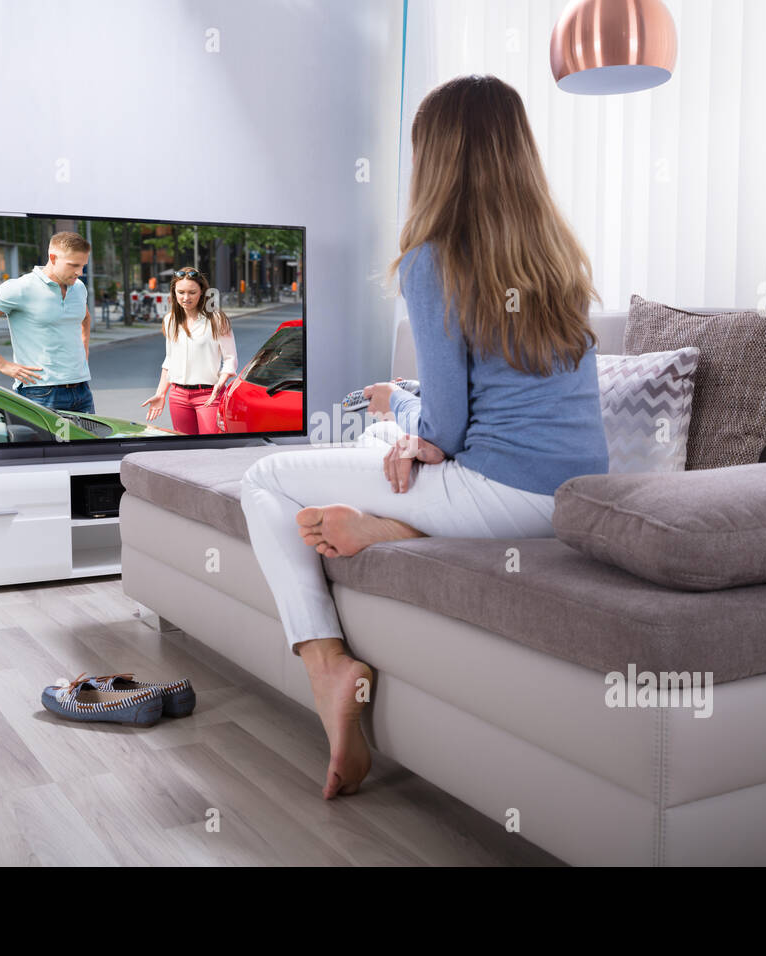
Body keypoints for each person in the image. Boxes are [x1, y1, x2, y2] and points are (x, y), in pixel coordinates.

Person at [238, 74, 610, 800]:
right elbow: (485, 399)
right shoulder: (557, 259)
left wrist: (418, 429)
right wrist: (408, 418)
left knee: (265, 481)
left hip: (495, 493)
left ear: (434, 159)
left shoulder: (433, 259)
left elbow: (448, 429)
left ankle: (325, 663)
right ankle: (388, 530)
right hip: (568, 499)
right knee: (384, 428)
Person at [0, 231, 95, 414]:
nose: (79, 272)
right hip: (41, 391)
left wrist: (84, 346)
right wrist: (1, 363)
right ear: (53, 257)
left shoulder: (79, 287)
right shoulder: (21, 288)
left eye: (83, 266)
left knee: (89, 443)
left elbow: (84, 317)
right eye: (73, 265)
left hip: (82, 388)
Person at [142, 267, 237, 434]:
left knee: (209, 449)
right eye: (181, 292)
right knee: (185, 448)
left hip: (209, 395)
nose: (186, 298)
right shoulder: (170, 320)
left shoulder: (216, 320)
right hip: (178, 396)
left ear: (202, 292)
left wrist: (221, 382)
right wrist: (160, 393)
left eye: (192, 292)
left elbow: (230, 358)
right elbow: (169, 360)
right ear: (174, 293)